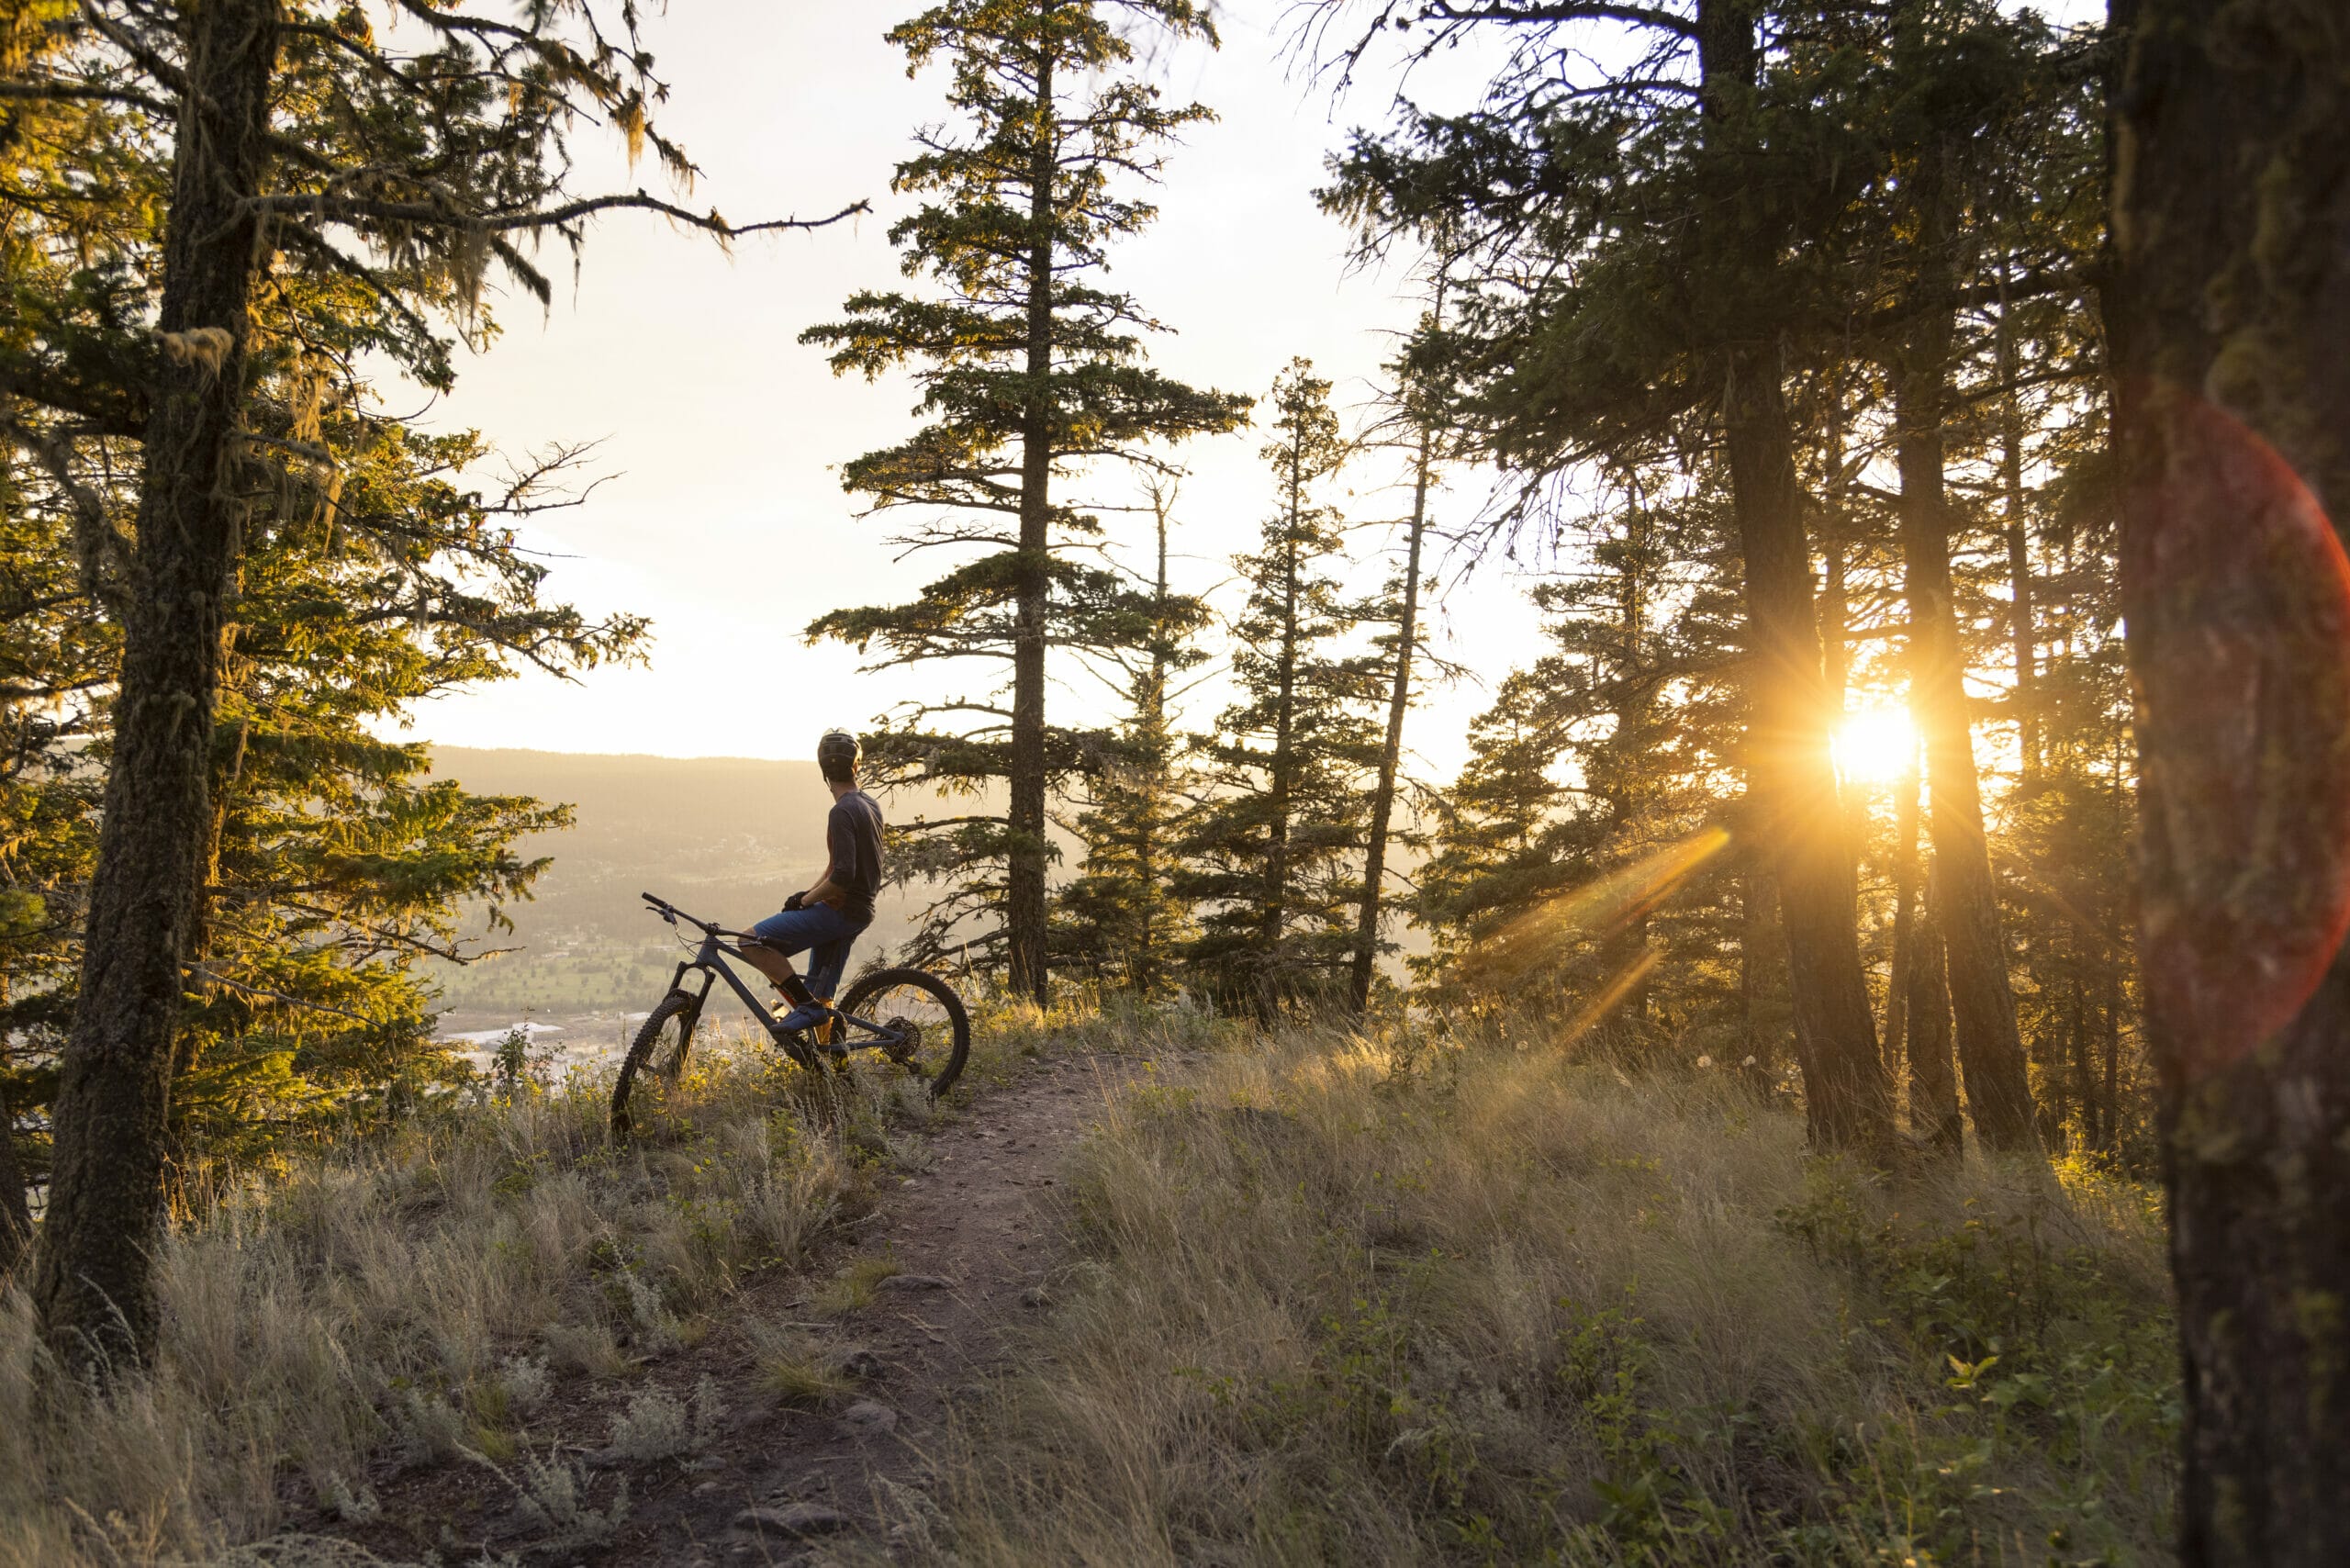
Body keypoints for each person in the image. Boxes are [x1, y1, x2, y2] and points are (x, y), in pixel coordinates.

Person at [740, 730, 884, 1036]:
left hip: (841, 911)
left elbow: (843, 875)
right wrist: (809, 894)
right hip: (858, 911)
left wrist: (806, 902)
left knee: (749, 941)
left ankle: (806, 1008)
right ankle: (830, 1065)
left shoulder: (842, 811)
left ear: (824, 771)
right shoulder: (869, 805)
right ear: (856, 767)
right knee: (822, 993)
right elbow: (836, 868)